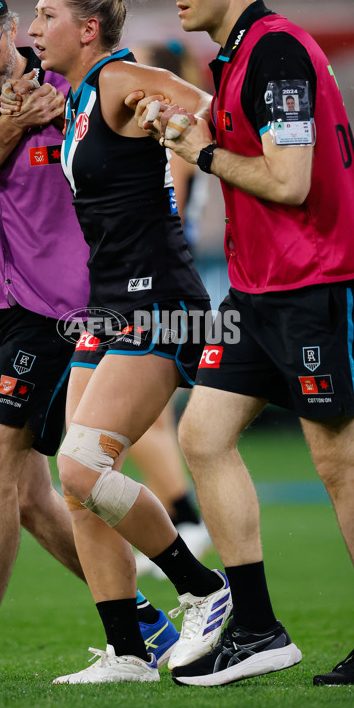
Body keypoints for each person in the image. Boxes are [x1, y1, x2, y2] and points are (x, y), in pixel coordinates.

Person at [129, 0, 354, 687]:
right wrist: (194, 128)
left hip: (322, 281)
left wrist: (204, 151)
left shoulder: (277, 51)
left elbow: (289, 182)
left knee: (338, 458)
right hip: (264, 287)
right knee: (203, 433)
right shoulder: (236, 58)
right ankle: (257, 628)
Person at [0, 0, 178, 684]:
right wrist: (10, 127)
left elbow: (122, 142)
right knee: (27, 498)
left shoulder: (66, 83)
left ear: (10, 28)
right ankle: (144, 622)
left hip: (59, 308)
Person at [4, 0, 232, 684]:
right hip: (110, 306)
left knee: (80, 466)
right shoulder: (76, 97)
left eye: (45, 17)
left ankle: (204, 589)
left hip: (159, 304)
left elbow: (211, 109)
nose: (34, 29)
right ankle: (131, 654)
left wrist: (183, 126)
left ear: (88, 28)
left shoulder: (118, 82)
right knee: (78, 486)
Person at [127, 41, 212, 578]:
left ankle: (186, 520)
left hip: (158, 281)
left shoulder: (174, 128)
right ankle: (182, 520)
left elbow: (169, 206)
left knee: (141, 419)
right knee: (150, 416)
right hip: (172, 276)